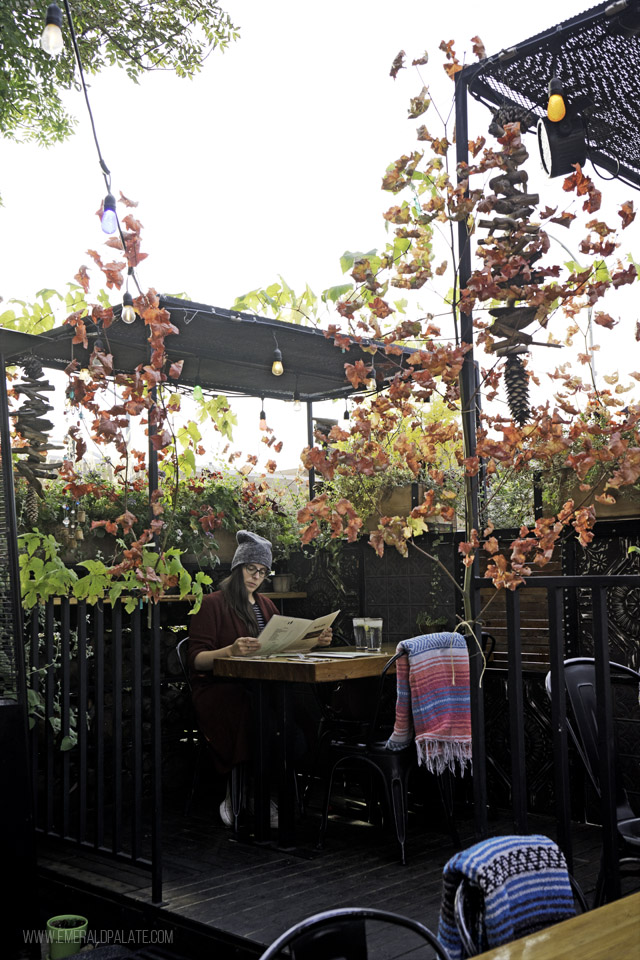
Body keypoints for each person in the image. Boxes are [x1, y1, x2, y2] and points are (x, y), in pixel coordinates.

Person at [187, 529, 331, 826]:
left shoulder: (266, 606)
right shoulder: (213, 603)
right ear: (238, 567)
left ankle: (267, 794)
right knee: (255, 714)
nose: (256, 577)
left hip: (262, 685)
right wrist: (229, 650)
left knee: (294, 714)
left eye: (262, 571)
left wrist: (312, 641)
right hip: (220, 689)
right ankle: (239, 794)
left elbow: (280, 646)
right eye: (251, 569)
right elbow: (196, 659)